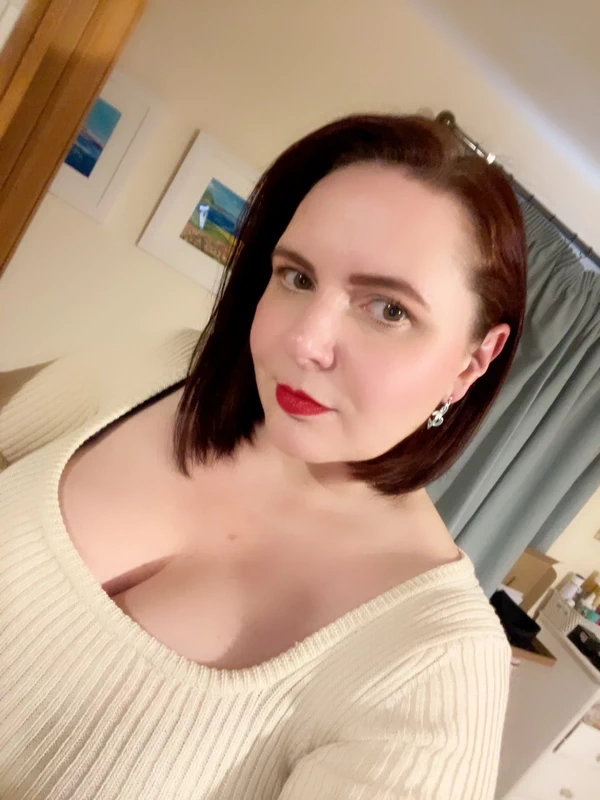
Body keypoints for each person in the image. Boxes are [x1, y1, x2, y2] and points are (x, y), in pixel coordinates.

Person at [0, 113, 527, 799]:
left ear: (473, 361)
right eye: (297, 277)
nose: (304, 340)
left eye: (389, 310)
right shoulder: (163, 374)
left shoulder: (436, 663)